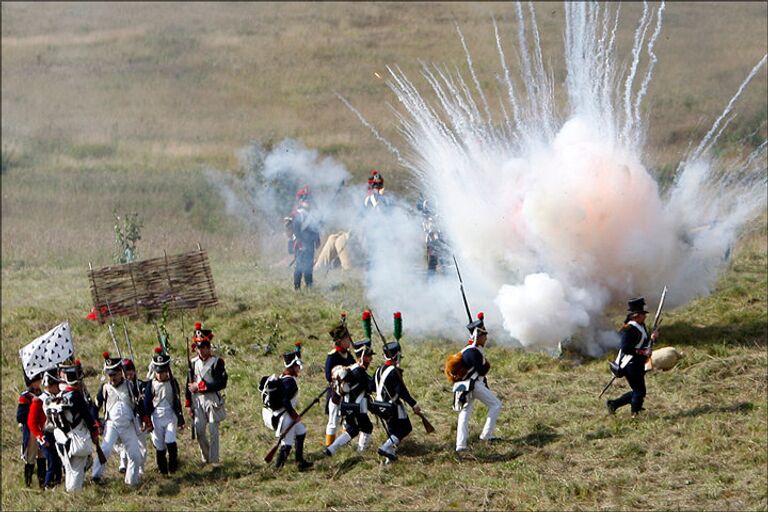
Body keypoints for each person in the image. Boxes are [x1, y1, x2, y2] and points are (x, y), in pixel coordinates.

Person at [91, 353, 149, 486]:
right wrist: (96, 422)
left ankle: (131, 482)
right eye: (110, 375)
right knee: (105, 450)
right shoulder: (105, 388)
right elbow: (95, 407)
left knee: (135, 455)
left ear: (121, 372)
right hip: (112, 424)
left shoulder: (130, 386)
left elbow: (139, 405)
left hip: (128, 425)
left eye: (115, 374)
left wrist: (145, 419)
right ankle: (96, 476)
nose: (112, 378)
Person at [453, 313, 503, 452]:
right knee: (496, 405)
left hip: (468, 386)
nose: (486, 338)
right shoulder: (472, 352)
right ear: (478, 336)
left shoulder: (470, 350)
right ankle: (486, 436)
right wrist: (486, 364)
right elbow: (481, 371)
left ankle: (461, 445)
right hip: (473, 385)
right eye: (484, 335)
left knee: (464, 414)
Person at [49, 361, 99, 493]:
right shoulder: (76, 396)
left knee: (69, 469)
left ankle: (69, 493)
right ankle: (74, 496)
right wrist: (94, 432)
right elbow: (88, 417)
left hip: (62, 440)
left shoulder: (60, 396)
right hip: (77, 440)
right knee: (77, 470)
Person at [606, 297, 659, 418]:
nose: (645, 316)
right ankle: (635, 413)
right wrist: (643, 352)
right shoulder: (628, 329)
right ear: (635, 316)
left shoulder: (641, 326)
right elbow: (626, 348)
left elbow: (645, 343)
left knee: (639, 391)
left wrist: (653, 338)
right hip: (630, 364)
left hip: (638, 363)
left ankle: (615, 404)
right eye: (642, 314)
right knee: (639, 391)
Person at [264, 345, 313, 470]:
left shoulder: (284, 377)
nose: (299, 369)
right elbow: (285, 400)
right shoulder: (290, 382)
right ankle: (278, 469)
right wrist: (294, 415)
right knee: (287, 444)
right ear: (293, 366)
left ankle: (300, 461)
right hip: (286, 416)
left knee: (301, 431)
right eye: (297, 366)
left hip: (286, 414)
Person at [325, 339, 376, 456]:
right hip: (356, 406)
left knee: (352, 430)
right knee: (367, 427)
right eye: (369, 356)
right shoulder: (359, 371)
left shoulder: (354, 368)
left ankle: (331, 449)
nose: (371, 359)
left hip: (349, 405)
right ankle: (360, 453)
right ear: (362, 356)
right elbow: (371, 387)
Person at [373, 341, 421, 464]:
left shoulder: (379, 370)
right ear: (397, 355)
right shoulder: (394, 371)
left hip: (379, 406)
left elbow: (372, 386)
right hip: (392, 406)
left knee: (393, 431)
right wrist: (413, 404)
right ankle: (385, 447)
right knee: (406, 428)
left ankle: (389, 459)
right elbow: (401, 392)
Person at [186, 322, 228, 464]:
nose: (202, 350)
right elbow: (189, 385)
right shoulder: (192, 363)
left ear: (209, 346)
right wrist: (188, 404)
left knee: (213, 430)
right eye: (199, 347)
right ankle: (206, 457)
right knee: (199, 431)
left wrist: (202, 386)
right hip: (197, 401)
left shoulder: (217, 362)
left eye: (204, 346)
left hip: (212, 400)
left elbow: (221, 383)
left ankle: (214, 461)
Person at [143, 347, 185, 475]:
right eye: (159, 372)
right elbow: (146, 403)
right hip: (156, 417)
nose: (161, 375)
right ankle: (163, 470)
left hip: (170, 416)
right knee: (159, 446)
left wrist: (181, 419)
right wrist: (147, 420)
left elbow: (177, 401)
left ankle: (173, 465)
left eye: (164, 372)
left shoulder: (173, 383)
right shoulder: (151, 385)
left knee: (170, 440)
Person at [28, 369, 63, 489]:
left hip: (58, 433)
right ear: (50, 385)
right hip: (46, 434)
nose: (58, 387)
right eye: (56, 385)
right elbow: (32, 422)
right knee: (52, 461)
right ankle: (47, 484)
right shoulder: (38, 400)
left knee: (59, 461)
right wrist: (40, 437)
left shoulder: (58, 397)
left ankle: (58, 483)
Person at [324, 318, 355, 447]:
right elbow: (328, 376)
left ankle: (341, 445)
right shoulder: (333, 356)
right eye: (346, 339)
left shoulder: (348, 355)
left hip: (348, 392)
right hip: (336, 393)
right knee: (333, 421)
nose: (349, 341)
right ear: (340, 341)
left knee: (347, 420)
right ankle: (329, 446)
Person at [286, 186, 321, 290]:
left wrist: (317, 239)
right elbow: (292, 230)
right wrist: (299, 242)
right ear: (300, 200)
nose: (308, 201)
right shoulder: (296, 214)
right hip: (300, 244)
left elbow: (314, 229)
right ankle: (297, 287)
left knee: (309, 267)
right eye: (305, 199)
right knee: (299, 267)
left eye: (309, 198)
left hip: (309, 244)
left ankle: (309, 286)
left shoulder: (312, 215)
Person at [117, 358, 148, 476]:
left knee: (141, 444)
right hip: (126, 418)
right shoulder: (121, 387)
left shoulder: (140, 385)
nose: (128, 375)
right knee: (124, 442)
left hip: (139, 418)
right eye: (125, 372)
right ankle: (123, 463)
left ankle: (140, 467)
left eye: (130, 371)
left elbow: (144, 402)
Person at [17, 371, 45, 487]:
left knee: (42, 455)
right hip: (31, 430)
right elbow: (20, 417)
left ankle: (42, 482)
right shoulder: (25, 397)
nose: (39, 382)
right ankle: (28, 483)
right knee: (31, 457)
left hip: (41, 429)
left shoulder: (41, 393)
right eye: (37, 380)